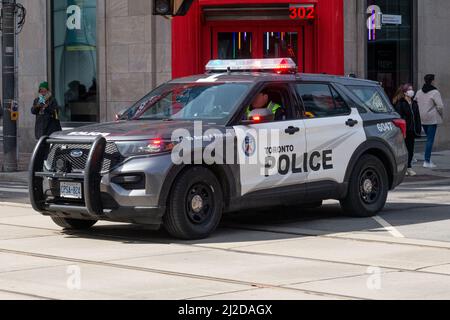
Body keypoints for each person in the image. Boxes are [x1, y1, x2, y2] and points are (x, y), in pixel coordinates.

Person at [415, 74, 445, 168]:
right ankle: (427, 161)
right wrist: (440, 114)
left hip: (422, 118)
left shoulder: (419, 92)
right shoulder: (435, 92)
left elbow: (415, 102)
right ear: (432, 81)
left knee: (428, 139)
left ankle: (427, 159)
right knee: (430, 140)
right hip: (432, 119)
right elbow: (440, 106)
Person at [393, 84, 422, 176]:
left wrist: (418, 128)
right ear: (405, 92)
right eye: (409, 90)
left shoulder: (414, 103)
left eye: (412, 89)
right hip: (403, 131)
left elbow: (417, 117)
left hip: (411, 131)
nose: (411, 91)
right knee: (403, 150)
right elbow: (399, 118)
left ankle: (409, 167)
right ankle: (403, 168)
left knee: (410, 149)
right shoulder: (400, 103)